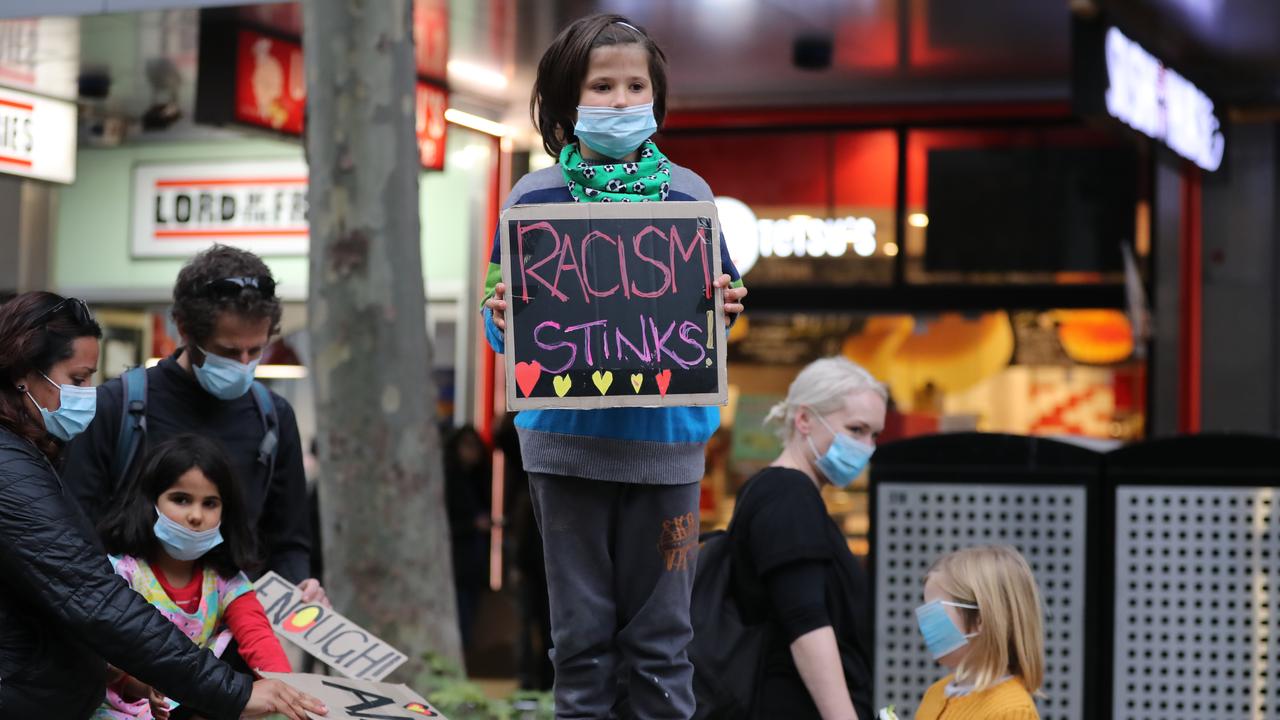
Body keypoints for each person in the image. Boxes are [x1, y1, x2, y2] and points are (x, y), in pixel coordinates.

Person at [481, 13, 747, 718]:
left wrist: (727, 305)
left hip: (668, 447)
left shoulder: (691, 195)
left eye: (636, 85)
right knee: (579, 639)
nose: (623, 100)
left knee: (665, 640)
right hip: (564, 450)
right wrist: (502, 317)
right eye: (604, 85)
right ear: (567, 97)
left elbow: (716, 307)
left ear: (658, 96)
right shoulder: (531, 199)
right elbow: (496, 313)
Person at [0, 291, 325, 719]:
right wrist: (233, 692)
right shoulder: (12, 468)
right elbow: (93, 598)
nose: (88, 393)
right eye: (78, 380)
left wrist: (116, 672)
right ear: (24, 376)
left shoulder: (31, 455)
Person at [64, 245, 324, 603]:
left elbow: (288, 540)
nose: (245, 363)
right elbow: (77, 533)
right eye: (230, 351)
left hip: (233, 639)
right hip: (129, 636)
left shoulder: (274, 418)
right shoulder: (116, 406)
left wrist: (300, 585)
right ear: (185, 330)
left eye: (256, 350)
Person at [94, 435, 293, 720]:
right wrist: (139, 686)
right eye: (181, 499)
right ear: (150, 502)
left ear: (227, 511)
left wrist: (290, 693)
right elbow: (101, 660)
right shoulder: (120, 574)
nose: (196, 515)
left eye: (210, 503)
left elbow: (259, 639)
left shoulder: (227, 582)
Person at [731, 356, 885, 720]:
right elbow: (806, 623)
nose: (867, 447)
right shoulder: (788, 495)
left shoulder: (777, 491)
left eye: (874, 435)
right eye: (856, 429)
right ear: (803, 420)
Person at [911, 546, 1044, 720]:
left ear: (981, 619)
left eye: (935, 611)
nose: (925, 624)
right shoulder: (935, 694)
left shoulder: (1013, 711)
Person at [443, 424, 492, 651]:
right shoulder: (450, 481)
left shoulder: (479, 479)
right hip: (456, 563)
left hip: (474, 563)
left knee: (470, 617)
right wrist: (472, 525)